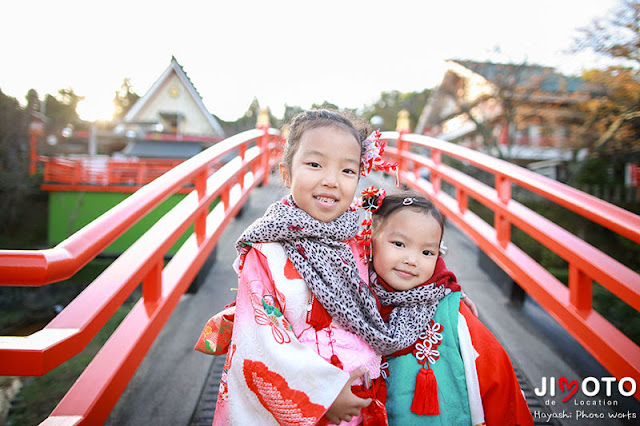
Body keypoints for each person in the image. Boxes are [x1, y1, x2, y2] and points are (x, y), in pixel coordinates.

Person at [207, 110, 394, 425]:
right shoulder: (266, 251)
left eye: (348, 170)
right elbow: (260, 340)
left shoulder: (362, 239)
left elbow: (402, 282)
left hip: (355, 399)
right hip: (301, 402)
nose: (331, 181)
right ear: (287, 173)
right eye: (315, 164)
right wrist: (324, 394)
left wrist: (448, 297)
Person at [362, 190, 533, 425]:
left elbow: (498, 376)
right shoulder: (349, 298)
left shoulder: (451, 311)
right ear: (370, 236)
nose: (412, 259)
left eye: (427, 252)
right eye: (399, 244)